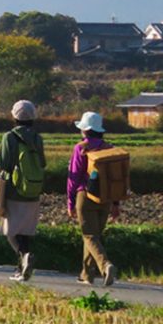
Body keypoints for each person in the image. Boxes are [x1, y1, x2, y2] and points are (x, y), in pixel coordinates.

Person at [0, 99, 46, 282]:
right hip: (33, 191)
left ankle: (25, 256)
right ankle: (21, 266)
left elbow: (3, 165)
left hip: (14, 191)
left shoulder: (10, 137)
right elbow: (43, 163)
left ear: (14, 116)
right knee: (25, 231)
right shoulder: (37, 138)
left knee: (10, 231)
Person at [67, 111, 120, 286]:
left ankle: (105, 266)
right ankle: (86, 275)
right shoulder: (110, 148)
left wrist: (71, 201)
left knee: (89, 235)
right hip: (105, 197)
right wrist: (115, 203)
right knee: (94, 236)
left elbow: (73, 178)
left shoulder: (80, 148)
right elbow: (114, 178)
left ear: (85, 130)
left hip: (86, 195)